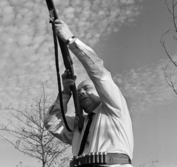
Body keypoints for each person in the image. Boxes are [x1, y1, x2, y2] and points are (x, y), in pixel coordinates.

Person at [45, 19, 134, 167]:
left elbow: (100, 74)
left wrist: (71, 41)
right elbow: (51, 123)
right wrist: (66, 93)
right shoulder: (80, 124)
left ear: (100, 92)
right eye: (78, 91)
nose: (81, 93)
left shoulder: (115, 109)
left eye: (87, 88)